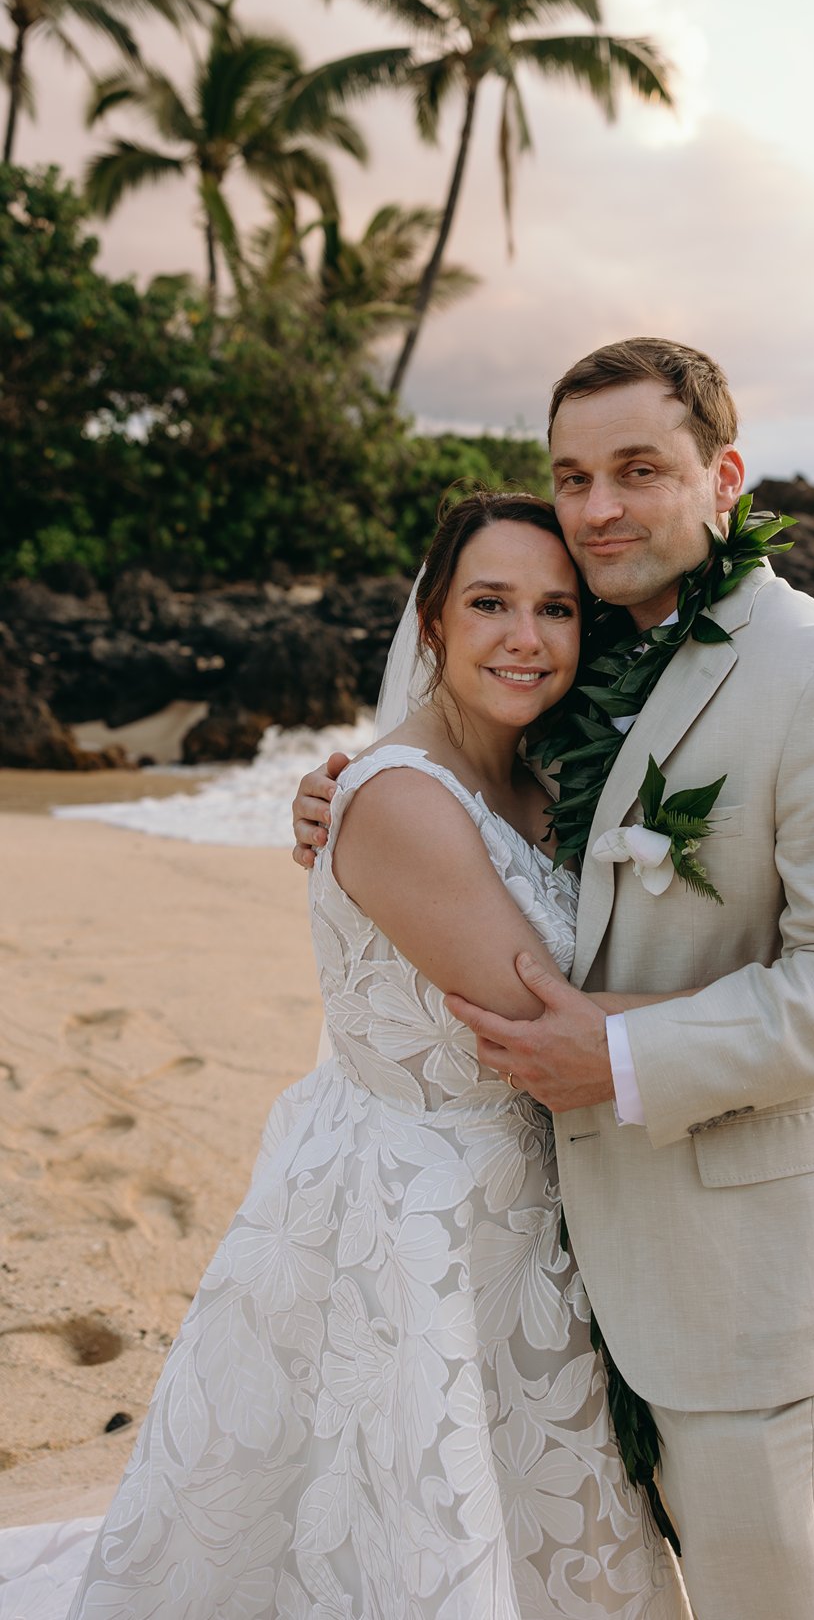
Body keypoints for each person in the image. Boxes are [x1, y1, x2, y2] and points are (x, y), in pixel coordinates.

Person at [292, 338, 814, 1620]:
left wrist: (628, 1058)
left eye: (638, 470)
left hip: (737, 1258)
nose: (596, 509)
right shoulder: (589, 654)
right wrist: (356, 792)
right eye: (572, 474)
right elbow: (484, 789)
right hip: (565, 1258)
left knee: (777, 1595)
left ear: (724, 476)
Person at [5, 493, 687, 1620]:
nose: (526, 634)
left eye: (556, 608)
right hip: (417, 1212)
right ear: (431, 624)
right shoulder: (399, 802)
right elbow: (540, 1017)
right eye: (490, 603)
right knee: (402, 1508)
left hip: (525, 1204)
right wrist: (789, 993)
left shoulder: (550, 782)